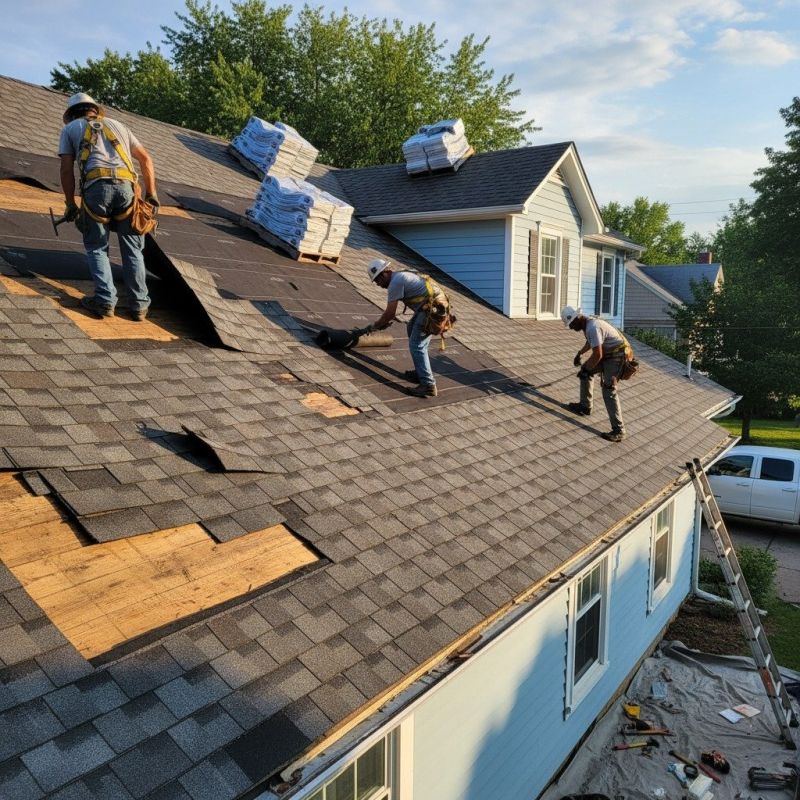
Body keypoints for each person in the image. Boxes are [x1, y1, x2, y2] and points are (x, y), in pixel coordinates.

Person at [58, 92, 159, 321]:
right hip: (127, 189)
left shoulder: (70, 129)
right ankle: (139, 306)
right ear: (94, 109)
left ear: (72, 114)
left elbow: (66, 169)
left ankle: (104, 301)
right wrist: (151, 194)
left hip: (96, 189)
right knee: (133, 249)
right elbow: (146, 159)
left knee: (96, 246)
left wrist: (70, 203)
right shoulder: (118, 125)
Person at [366, 259, 439, 397]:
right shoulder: (399, 276)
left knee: (417, 346)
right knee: (411, 329)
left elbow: (390, 313)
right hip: (428, 308)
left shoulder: (395, 283)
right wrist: (384, 322)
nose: (378, 285)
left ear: (384, 274)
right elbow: (391, 315)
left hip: (431, 311)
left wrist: (375, 326)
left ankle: (428, 385)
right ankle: (421, 372)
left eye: (377, 281)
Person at [561, 305, 627, 442]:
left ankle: (619, 430)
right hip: (608, 354)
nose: (572, 328)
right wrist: (580, 354)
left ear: (578, 318)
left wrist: (586, 368)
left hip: (617, 356)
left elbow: (598, 354)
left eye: (572, 324)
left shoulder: (593, 327)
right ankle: (585, 406)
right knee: (586, 371)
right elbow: (591, 342)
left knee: (608, 390)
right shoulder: (588, 325)